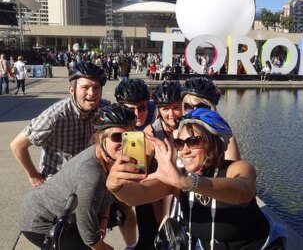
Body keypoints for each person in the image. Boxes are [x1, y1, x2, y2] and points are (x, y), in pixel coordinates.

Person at [106, 108, 287, 250]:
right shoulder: (178, 178)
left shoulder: (236, 168)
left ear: (214, 142)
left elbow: (243, 192)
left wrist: (187, 182)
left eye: (192, 142)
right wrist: (115, 186)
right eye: (179, 143)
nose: (184, 150)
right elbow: (137, 196)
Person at [19, 104, 137, 250]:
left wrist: (104, 219)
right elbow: (84, 218)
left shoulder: (109, 158)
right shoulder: (91, 172)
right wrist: (100, 246)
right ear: (101, 138)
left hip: (69, 214)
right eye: (117, 136)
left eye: (129, 136)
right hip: (41, 221)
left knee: (121, 212)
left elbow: (108, 193)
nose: (124, 143)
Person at [10, 61, 109, 186]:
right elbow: (17, 145)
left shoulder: (105, 109)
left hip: (89, 178)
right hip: (58, 181)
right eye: (85, 87)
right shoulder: (55, 115)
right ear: (72, 90)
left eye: (96, 87)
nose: (92, 93)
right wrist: (33, 175)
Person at [131, 80, 184, 249]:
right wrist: (156, 206)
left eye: (176, 107)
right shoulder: (149, 133)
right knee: (150, 238)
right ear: (158, 108)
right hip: (153, 193)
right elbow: (140, 175)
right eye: (165, 108)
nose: (171, 114)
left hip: (182, 190)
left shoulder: (189, 128)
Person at [181, 77, 240, 161]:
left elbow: (236, 170)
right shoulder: (177, 135)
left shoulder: (226, 138)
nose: (195, 112)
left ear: (211, 108)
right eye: (189, 107)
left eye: (201, 107)